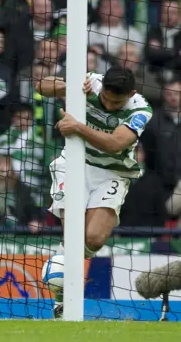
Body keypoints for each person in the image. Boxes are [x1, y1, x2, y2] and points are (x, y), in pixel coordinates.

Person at [35, 66, 153, 319]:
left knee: (94, 239)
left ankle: (60, 265)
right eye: (105, 100)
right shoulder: (90, 82)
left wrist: (77, 127)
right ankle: (63, 297)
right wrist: (69, 88)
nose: (109, 106)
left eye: (116, 102)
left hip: (113, 172)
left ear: (131, 94)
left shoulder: (140, 109)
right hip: (75, 163)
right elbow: (41, 86)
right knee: (74, 232)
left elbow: (116, 144)